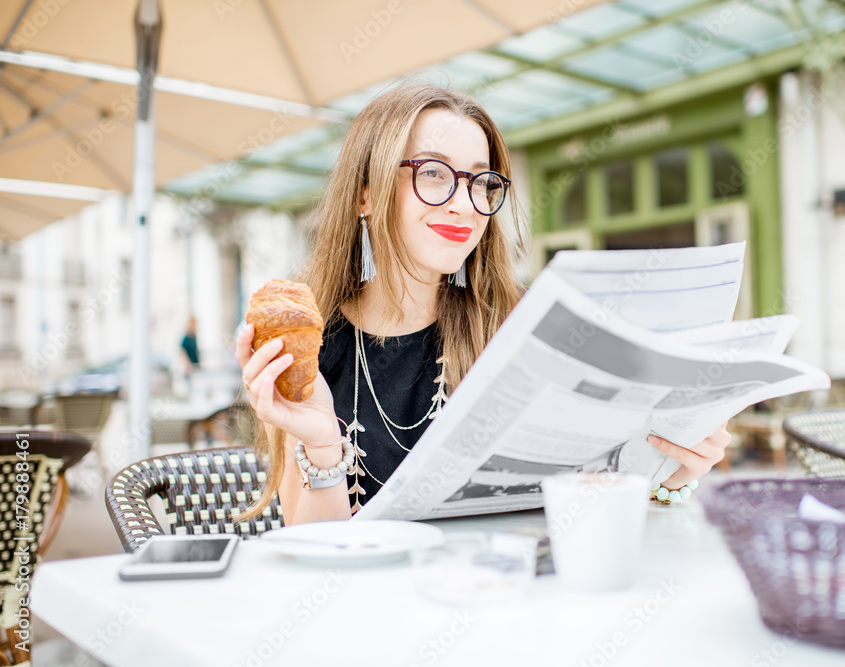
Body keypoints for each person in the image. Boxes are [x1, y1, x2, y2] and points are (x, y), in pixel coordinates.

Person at [234, 84, 731, 525]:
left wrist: (675, 469)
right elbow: (316, 555)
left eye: (480, 181)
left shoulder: (519, 327)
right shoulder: (308, 348)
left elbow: (582, 494)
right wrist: (322, 445)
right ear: (365, 193)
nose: (463, 203)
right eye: (432, 173)